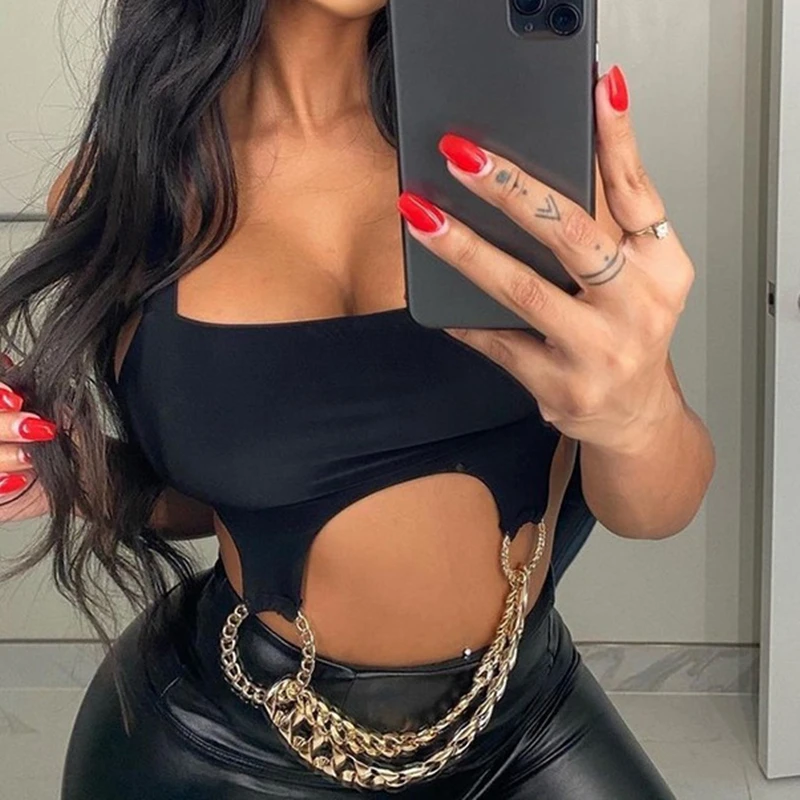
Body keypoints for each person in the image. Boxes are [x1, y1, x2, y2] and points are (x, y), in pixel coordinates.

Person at [0, 1, 715, 797]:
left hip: (520, 721)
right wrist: (76, 477)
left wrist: (637, 412)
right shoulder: (129, 188)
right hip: (223, 745)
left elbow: (660, 509)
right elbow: (245, 494)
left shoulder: (527, 157)